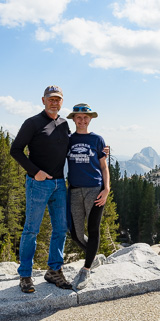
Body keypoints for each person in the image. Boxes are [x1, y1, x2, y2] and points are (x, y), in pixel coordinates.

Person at [10, 85, 72, 293]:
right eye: (51, 99)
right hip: (38, 184)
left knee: (61, 228)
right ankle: (25, 275)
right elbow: (15, 150)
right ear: (43, 100)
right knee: (31, 229)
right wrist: (35, 171)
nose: (55, 102)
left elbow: (70, 149)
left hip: (59, 184)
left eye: (58, 99)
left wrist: (99, 149)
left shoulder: (64, 124)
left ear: (62, 102)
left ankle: (54, 271)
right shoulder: (33, 123)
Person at [66, 103, 110, 290]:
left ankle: (86, 268)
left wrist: (106, 188)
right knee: (75, 233)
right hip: (74, 189)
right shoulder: (68, 139)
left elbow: (104, 166)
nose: (82, 120)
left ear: (90, 119)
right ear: (74, 119)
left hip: (94, 189)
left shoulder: (98, 139)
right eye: (79, 117)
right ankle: (93, 254)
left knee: (93, 230)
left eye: (86, 117)